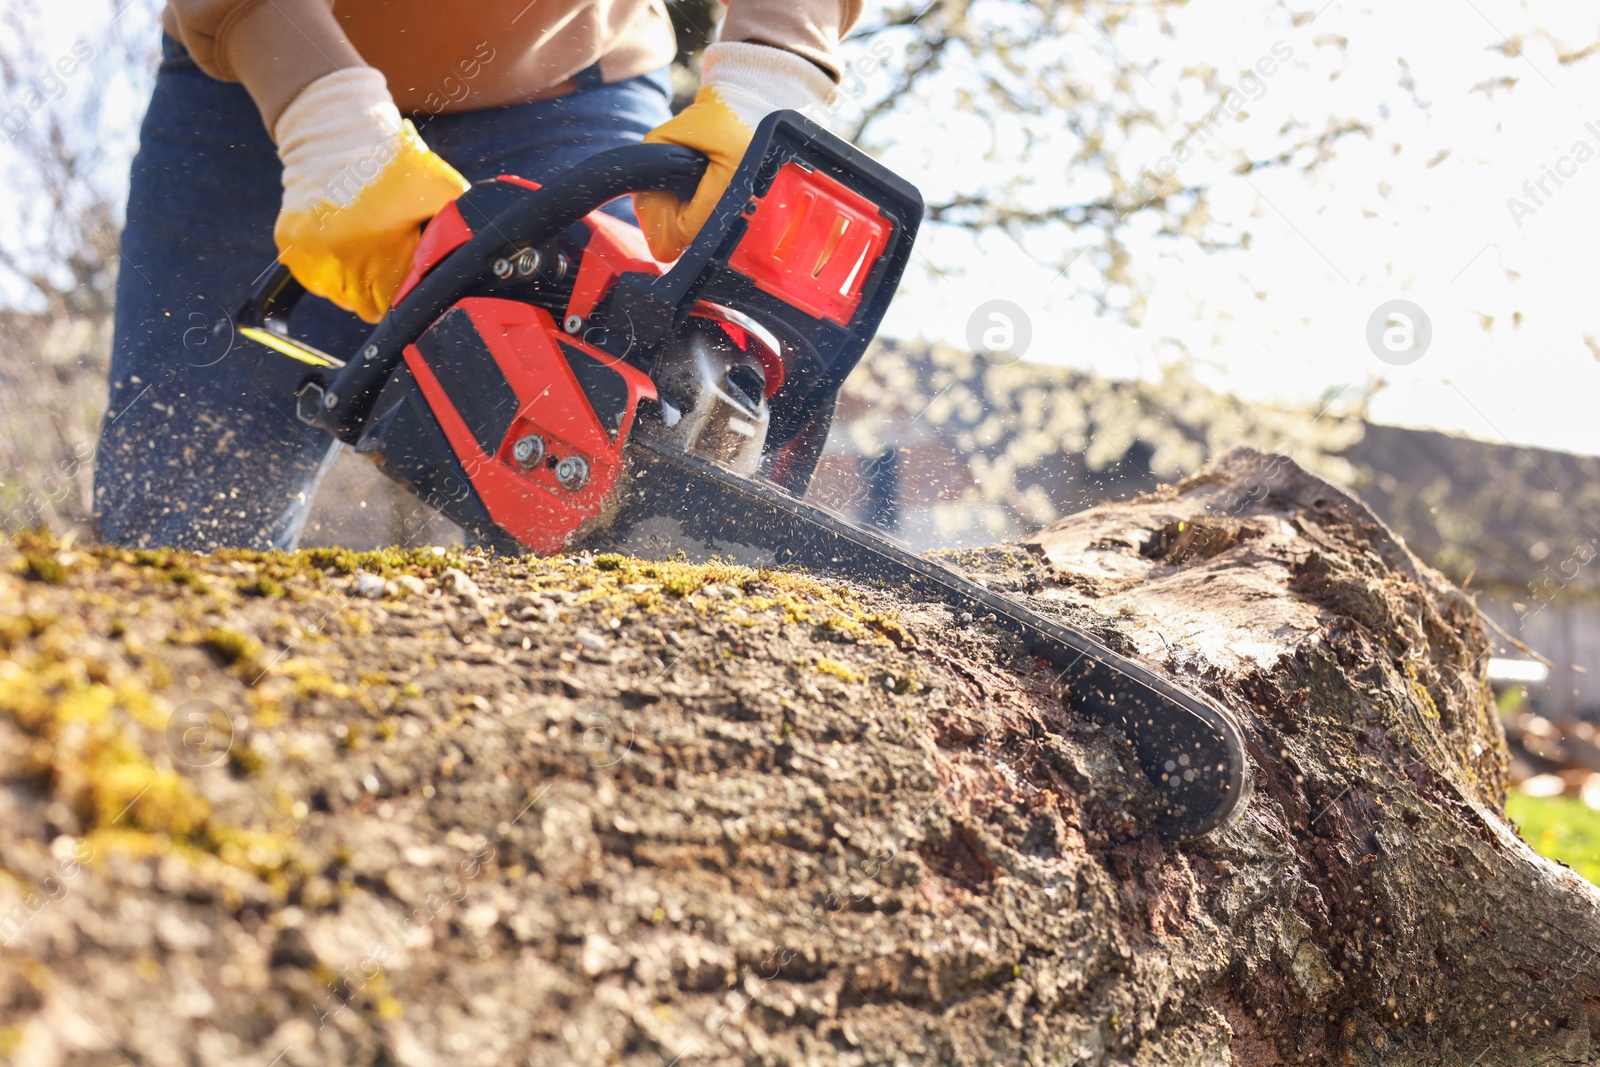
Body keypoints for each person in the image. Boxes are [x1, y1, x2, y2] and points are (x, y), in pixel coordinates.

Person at [94, 0, 858, 551]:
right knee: (181, 517)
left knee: (603, 515)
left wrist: (774, 70)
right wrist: (311, 101)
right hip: (250, 85)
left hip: (566, 84)